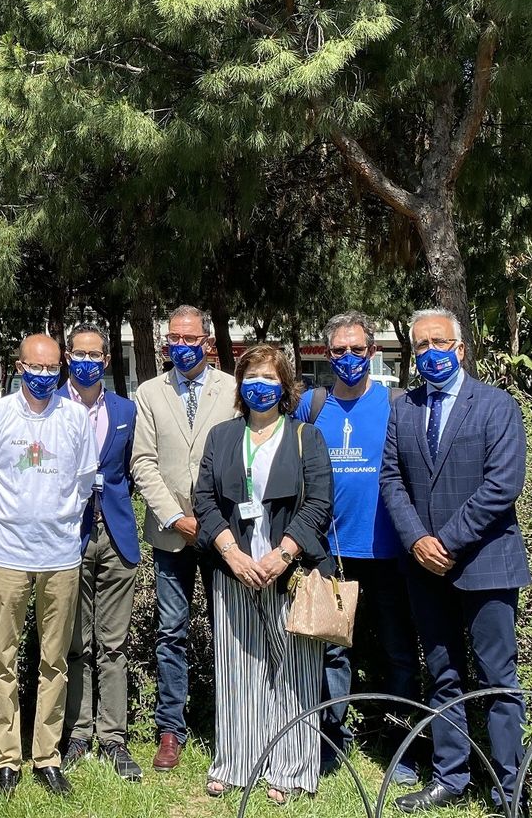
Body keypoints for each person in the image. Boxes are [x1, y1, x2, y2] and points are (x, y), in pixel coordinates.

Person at [381, 309, 531, 814]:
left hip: (486, 563)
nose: (429, 353)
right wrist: (419, 541)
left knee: (497, 679)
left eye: (438, 343)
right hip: (424, 566)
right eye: (420, 346)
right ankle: (451, 776)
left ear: (460, 349)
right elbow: (390, 480)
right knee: (443, 674)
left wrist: (445, 541)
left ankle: (509, 788)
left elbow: (502, 486)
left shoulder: (495, 406)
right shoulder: (403, 408)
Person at [195, 344, 332, 802]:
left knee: (294, 669)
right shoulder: (222, 437)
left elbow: (318, 503)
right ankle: (236, 762)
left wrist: (284, 554)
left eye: (270, 379)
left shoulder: (304, 437)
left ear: (286, 386)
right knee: (239, 669)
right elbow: (205, 502)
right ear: (240, 385)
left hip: (289, 573)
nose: (260, 387)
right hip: (234, 570)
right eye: (251, 377)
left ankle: (291, 769)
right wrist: (231, 553)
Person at [0, 333, 97, 801]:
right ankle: (7, 758)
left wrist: (56, 519)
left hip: (61, 556)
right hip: (7, 556)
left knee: (54, 660)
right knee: (2, 659)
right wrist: (13, 519)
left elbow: (84, 484)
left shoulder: (76, 418)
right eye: (34, 368)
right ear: (18, 366)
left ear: (60, 368)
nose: (43, 377)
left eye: (50, 369)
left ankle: (46, 756)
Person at [295, 312, 422, 783]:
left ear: (373, 352)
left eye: (357, 349)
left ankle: (402, 748)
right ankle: (331, 743)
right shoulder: (312, 404)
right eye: (338, 351)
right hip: (331, 553)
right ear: (327, 356)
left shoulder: (396, 403)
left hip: (388, 553)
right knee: (332, 654)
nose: (348, 358)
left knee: (398, 652)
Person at [130, 304, 237, 771]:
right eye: (175, 338)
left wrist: (213, 522)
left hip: (224, 535)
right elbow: (143, 462)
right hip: (170, 534)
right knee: (171, 632)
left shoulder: (233, 389)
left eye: (192, 339)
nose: (183, 346)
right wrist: (175, 517)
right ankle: (170, 729)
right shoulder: (150, 392)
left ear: (207, 342)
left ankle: (232, 722)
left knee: (228, 630)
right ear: (165, 341)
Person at [59, 322, 143, 783]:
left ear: (106, 361)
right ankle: (76, 732)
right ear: (69, 357)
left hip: (116, 536)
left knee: (113, 644)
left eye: (95, 355)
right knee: (75, 643)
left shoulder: (125, 410)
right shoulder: (50, 407)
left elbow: (132, 471)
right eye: (79, 354)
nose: (87, 361)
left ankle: (113, 737)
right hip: (67, 537)